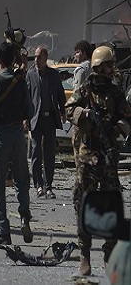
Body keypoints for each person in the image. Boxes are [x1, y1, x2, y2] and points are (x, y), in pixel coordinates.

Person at [66, 45, 130, 276]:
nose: (112, 68)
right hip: (88, 156)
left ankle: (109, 254)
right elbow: (69, 110)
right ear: (99, 66)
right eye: (109, 64)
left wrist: (118, 129)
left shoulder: (116, 92)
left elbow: (127, 117)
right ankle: (84, 254)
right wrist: (85, 114)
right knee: (83, 204)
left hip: (108, 156)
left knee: (111, 205)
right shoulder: (86, 89)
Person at [0, 42, 34, 245]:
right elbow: (30, 110)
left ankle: (3, 231)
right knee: (22, 180)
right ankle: (24, 217)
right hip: (18, 136)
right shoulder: (20, 82)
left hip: (0, 137)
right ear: (14, 60)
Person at [26, 46, 66, 199]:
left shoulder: (53, 75)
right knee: (36, 151)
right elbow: (27, 97)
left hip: (50, 118)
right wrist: (25, 118)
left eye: (39, 57)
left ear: (45, 58)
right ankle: (38, 186)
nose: (36, 60)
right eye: (35, 57)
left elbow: (60, 94)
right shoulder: (30, 74)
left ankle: (48, 186)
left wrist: (63, 111)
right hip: (36, 118)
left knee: (49, 153)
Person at [71, 40, 93, 169]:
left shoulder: (81, 70)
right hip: (93, 113)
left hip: (82, 114)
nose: (75, 55)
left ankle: (81, 175)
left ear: (84, 53)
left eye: (78, 52)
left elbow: (77, 94)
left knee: (78, 146)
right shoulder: (95, 67)